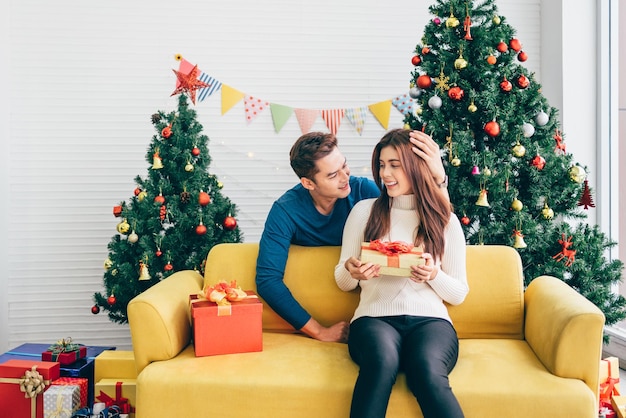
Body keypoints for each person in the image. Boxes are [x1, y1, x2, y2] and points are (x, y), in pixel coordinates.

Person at [255, 130, 448, 343]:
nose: (345, 177)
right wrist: (319, 331)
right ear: (308, 183)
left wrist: (438, 177)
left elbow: (432, 218)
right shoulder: (285, 211)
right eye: (332, 175)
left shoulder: (364, 191)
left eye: (344, 166)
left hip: (376, 310)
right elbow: (268, 281)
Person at [334, 128, 467, 418]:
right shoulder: (363, 211)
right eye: (382, 165)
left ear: (415, 167)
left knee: (427, 371)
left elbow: (459, 293)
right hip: (374, 319)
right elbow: (343, 281)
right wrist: (353, 270)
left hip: (431, 323)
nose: (385, 174)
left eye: (395, 165)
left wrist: (434, 275)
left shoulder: (444, 219)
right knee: (381, 363)